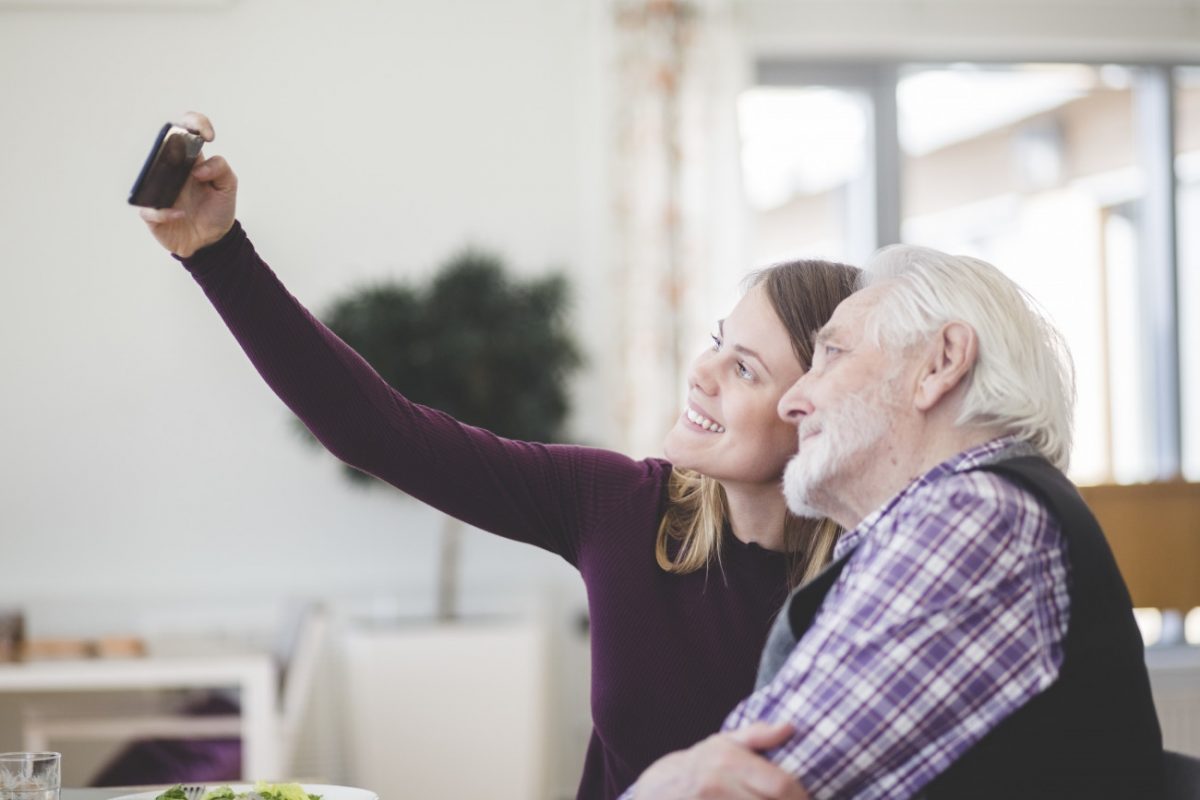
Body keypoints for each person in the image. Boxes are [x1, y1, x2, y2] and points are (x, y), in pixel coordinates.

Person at [135, 113, 861, 800]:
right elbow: (374, 429)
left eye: (745, 370)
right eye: (716, 343)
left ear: (814, 411)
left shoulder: (873, 582)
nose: (701, 373)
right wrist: (217, 253)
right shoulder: (622, 507)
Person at [625, 245, 1164, 799]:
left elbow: (732, 788)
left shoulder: (977, 518)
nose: (794, 402)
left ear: (941, 362)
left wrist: (655, 786)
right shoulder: (953, 519)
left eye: (830, 354)